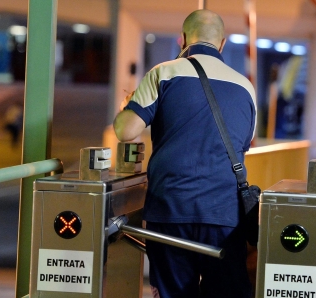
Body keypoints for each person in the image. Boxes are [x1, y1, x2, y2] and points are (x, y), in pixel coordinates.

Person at [113, 9, 256, 298]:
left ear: (183, 39)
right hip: (224, 213)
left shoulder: (163, 73)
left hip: (171, 210)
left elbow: (125, 131)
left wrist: (128, 108)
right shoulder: (246, 87)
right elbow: (243, 145)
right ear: (223, 44)